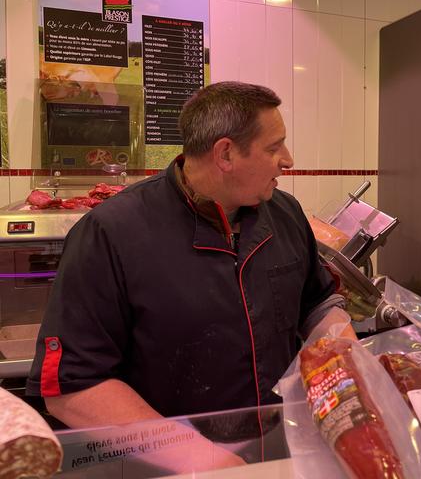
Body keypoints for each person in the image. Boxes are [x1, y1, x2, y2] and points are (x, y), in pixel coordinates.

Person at [27, 82, 353, 433]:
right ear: (225, 154)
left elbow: (316, 305)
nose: (288, 160)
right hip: (169, 465)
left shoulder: (284, 212)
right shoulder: (110, 232)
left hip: (281, 446)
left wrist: (354, 372)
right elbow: (73, 386)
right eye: (274, 148)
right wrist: (200, 459)